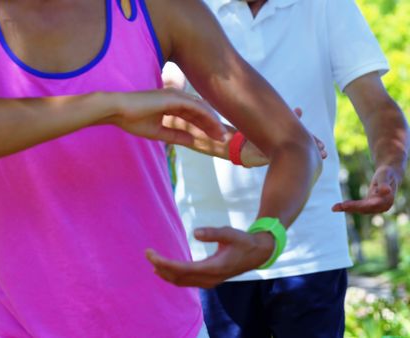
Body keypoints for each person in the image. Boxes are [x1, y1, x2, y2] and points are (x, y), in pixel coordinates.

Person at [0, 0, 322, 336]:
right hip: (13, 325)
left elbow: (294, 144)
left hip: (165, 326)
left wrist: (268, 234)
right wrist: (107, 105)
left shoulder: (159, 9)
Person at [161, 0, 410, 337]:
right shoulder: (182, 7)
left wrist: (389, 167)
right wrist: (242, 145)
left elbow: (377, 105)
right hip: (213, 253)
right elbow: (163, 103)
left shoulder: (327, 6)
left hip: (312, 252)